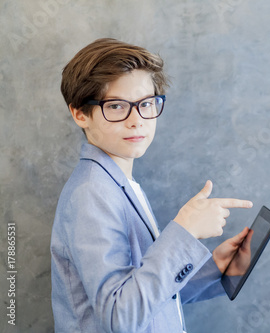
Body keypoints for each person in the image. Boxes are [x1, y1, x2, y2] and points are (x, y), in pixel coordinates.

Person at [50, 38, 253, 333]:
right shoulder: (91, 195)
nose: (137, 121)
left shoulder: (120, 181)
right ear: (80, 113)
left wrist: (215, 270)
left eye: (146, 104)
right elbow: (121, 316)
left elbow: (147, 297)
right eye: (117, 106)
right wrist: (185, 232)